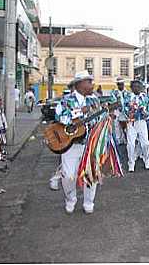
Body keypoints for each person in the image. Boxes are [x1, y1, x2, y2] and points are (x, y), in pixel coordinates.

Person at [55, 70, 102, 214]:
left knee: (90, 174)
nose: (92, 84)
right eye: (89, 81)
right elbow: (59, 117)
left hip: (89, 144)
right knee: (69, 176)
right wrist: (80, 112)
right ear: (80, 84)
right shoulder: (66, 100)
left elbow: (98, 119)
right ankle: (71, 199)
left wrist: (105, 116)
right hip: (70, 144)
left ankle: (89, 202)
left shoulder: (94, 100)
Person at [124, 79, 149, 172]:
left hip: (142, 122)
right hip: (131, 123)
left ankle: (146, 160)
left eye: (139, 87)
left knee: (146, 144)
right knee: (131, 144)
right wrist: (130, 112)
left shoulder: (144, 97)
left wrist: (145, 113)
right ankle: (131, 163)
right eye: (135, 87)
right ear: (131, 88)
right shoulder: (128, 97)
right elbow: (124, 110)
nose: (137, 88)